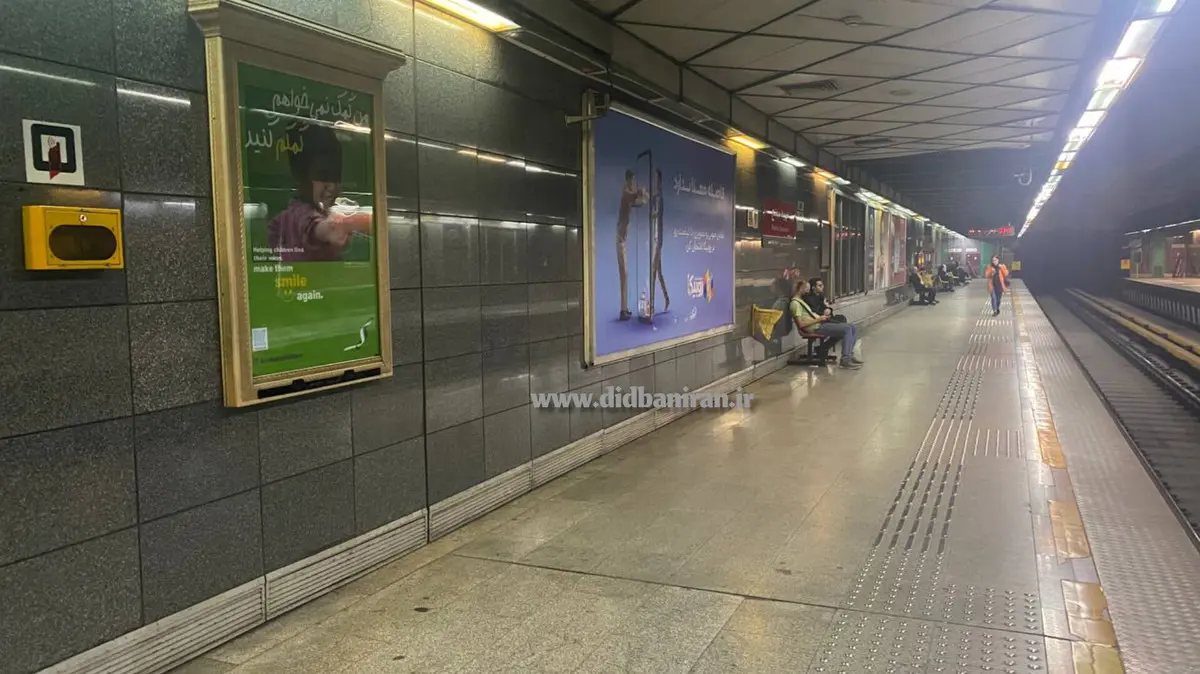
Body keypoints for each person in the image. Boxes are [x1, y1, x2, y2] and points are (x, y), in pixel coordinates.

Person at [269, 123, 371, 262]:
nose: (332, 186)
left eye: (336, 177)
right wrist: (336, 228)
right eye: (322, 176)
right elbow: (314, 227)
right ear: (302, 176)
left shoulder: (288, 218)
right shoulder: (298, 216)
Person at [790, 279, 862, 369]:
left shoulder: (801, 301)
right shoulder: (795, 304)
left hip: (819, 324)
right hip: (815, 327)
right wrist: (819, 319)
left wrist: (822, 317)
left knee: (852, 327)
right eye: (807, 289)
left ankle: (849, 356)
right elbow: (801, 324)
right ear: (801, 288)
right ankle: (845, 360)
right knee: (847, 329)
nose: (808, 291)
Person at [616, 169, 646, 321]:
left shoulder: (628, 194)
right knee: (624, 275)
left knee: (625, 275)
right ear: (628, 179)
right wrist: (642, 191)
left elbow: (639, 202)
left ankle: (624, 309)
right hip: (620, 239)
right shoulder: (626, 193)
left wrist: (644, 198)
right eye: (632, 180)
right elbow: (636, 195)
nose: (633, 182)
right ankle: (623, 311)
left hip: (623, 239)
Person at [643, 169, 669, 321]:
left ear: (660, 182)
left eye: (657, 180)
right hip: (654, 238)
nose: (655, 182)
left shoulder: (660, 198)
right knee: (659, 273)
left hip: (658, 240)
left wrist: (649, 207)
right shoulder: (655, 197)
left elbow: (656, 213)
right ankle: (667, 298)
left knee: (653, 272)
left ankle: (650, 309)